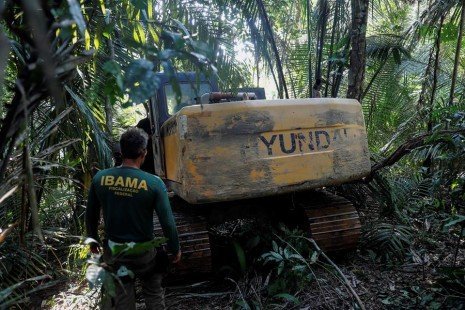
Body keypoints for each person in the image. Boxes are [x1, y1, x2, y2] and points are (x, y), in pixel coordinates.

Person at [86, 127, 181, 309]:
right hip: (144, 255)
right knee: (153, 290)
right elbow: (167, 223)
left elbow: (91, 216)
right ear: (143, 153)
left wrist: (93, 243)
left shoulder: (100, 178)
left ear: (121, 152)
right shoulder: (154, 183)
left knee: (122, 295)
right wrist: (174, 249)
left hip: (115, 253)